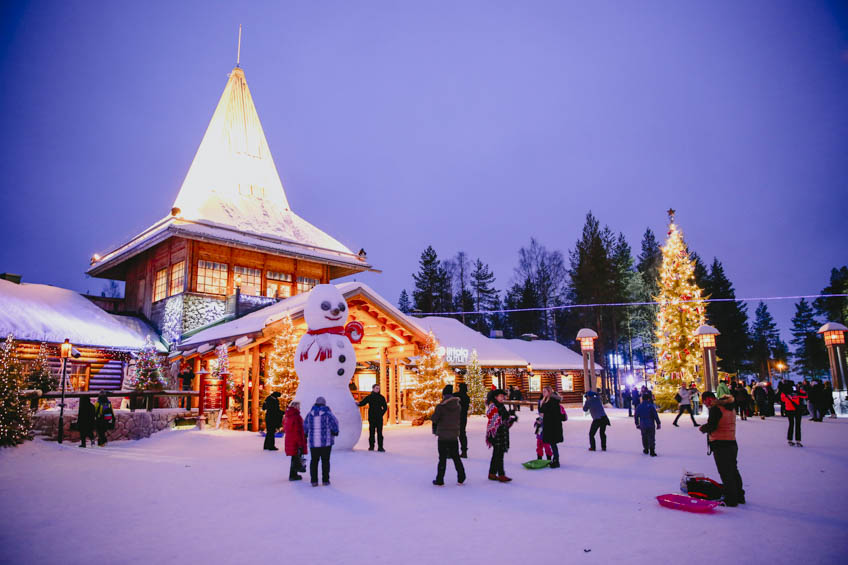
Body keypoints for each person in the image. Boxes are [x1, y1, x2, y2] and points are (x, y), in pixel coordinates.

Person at [699, 392, 745, 507]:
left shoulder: (716, 408)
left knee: (726, 472)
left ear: (709, 399)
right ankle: (739, 495)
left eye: (704, 401)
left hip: (720, 443)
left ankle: (731, 499)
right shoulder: (729, 406)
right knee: (733, 470)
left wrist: (703, 428)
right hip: (732, 442)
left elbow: (713, 425)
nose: (705, 404)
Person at [431, 385, 466, 485]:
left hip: (442, 435)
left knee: (442, 458)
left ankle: (440, 479)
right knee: (456, 457)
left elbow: (434, 419)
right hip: (453, 435)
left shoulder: (441, 407)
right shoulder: (458, 406)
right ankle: (461, 476)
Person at [303, 397, 339, 487]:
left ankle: (314, 481)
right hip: (325, 441)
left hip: (313, 442)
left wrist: (305, 434)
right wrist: (335, 432)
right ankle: (325, 480)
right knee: (325, 461)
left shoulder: (310, 414)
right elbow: (334, 423)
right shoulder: (328, 413)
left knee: (314, 461)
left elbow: (305, 425)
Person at [486, 389, 517, 482]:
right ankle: (501, 474)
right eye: (501, 396)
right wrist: (504, 418)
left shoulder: (501, 406)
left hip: (502, 433)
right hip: (496, 434)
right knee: (499, 454)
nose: (503, 397)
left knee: (497, 454)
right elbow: (494, 419)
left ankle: (492, 473)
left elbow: (505, 420)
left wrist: (511, 417)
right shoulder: (493, 406)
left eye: (503, 396)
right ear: (496, 397)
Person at [537, 386, 565, 468]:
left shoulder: (553, 402)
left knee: (553, 443)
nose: (543, 393)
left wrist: (545, 415)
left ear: (549, 392)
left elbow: (555, 415)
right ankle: (554, 459)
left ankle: (556, 460)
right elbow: (542, 411)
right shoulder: (545, 400)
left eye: (545, 391)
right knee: (551, 443)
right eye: (543, 391)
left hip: (553, 426)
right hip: (548, 425)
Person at [358, 384, 388, 451]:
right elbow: (363, 403)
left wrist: (381, 414)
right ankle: (371, 446)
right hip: (372, 417)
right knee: (371, 432)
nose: (378, 389)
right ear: (373, 388)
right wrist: (357, 404)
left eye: (378, 388)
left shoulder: (381, 397)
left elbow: (385, 407)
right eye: (376, 388)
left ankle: (380, 447)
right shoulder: (370, 397)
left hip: (379, 418)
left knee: (380, 433)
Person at [283, 401, 307, 481]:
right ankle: (293, 475)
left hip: (289, 439)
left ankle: (293, 474)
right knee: (296, 457)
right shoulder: (296, 417)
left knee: (294, 457)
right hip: (296, 440)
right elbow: (298, 430)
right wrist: (300, 443)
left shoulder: (287, 416)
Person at [634, 390, 661, 456]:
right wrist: (658, 423)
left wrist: (637, 424)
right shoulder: (651, 406)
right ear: (648, 399)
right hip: (650, 424)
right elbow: (655, 415)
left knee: (644, 436)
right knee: (651, 437)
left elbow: (636, 415)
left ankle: (646, 449)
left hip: (643, 424)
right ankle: (652, 450)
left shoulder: (639, 406)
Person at [455, 382, 470, 458]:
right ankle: (464, 451)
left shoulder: (456, 395)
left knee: (454, 434)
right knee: (462, 434)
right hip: (463, 417)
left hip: (456, 417)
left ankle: (454, 451)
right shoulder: (467, 397)